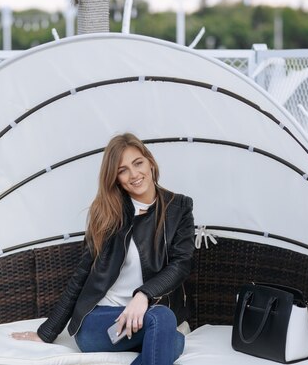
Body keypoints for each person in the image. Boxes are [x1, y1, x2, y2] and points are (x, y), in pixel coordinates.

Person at [12, 132, 195, 365]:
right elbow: (81, 275)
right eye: (123, 170)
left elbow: (182, 264)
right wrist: (46, 332)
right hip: (99, 322)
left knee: (170, 336)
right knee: (167, 331)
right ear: (116, 178)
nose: (134, 174)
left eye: (138, 163)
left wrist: (143, 295)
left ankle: (158, 333)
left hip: (145, 317)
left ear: (150, 162)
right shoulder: (107, 213)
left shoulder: (179, 208)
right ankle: (159, 334)